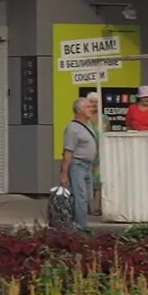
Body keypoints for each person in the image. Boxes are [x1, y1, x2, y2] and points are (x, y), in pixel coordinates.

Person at [61, 91, 102, 231]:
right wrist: (64, 174)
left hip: (88, 166)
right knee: (81, 197)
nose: (92, 109)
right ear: (79, 111)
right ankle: (80, 228)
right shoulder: (72, 128)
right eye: (88, 107)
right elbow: (68, 152)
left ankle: (77, 223)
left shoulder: (89, 124)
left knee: (87, 196)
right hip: (77, 165)